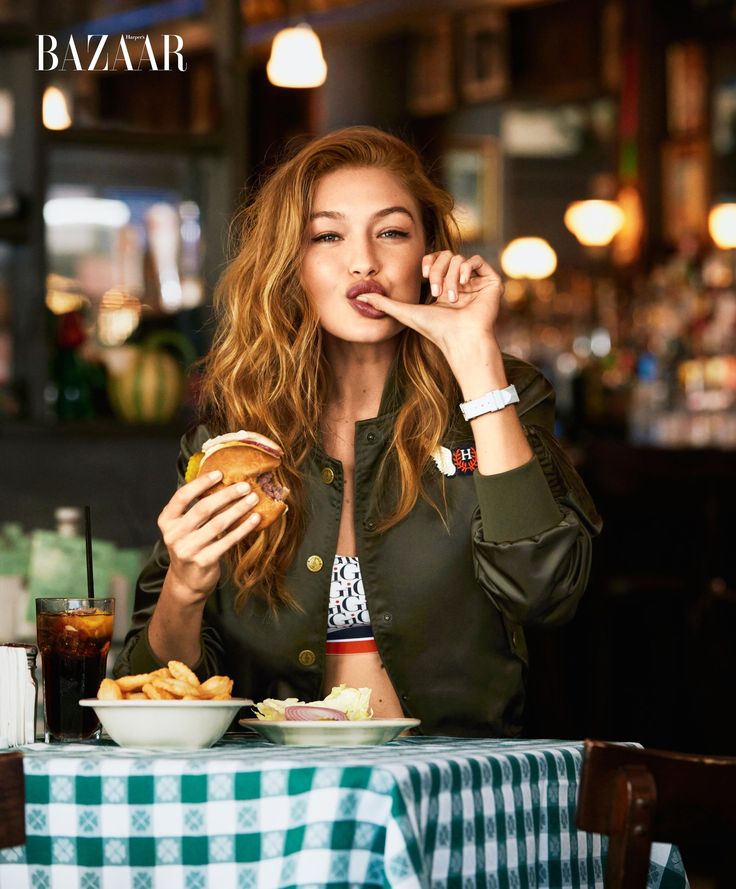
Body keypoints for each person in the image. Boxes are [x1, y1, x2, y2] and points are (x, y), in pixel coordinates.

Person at [115, 126, 601, 736]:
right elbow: (150, 693)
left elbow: (547, 592)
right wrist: (185, 585)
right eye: (327, 235)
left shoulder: (503, 395)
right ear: (289, 264)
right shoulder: (230, 441)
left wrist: (476, 358)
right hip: (276, 792)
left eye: (392, 232)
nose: (365, 260)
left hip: (449, 783)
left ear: (429, 254)